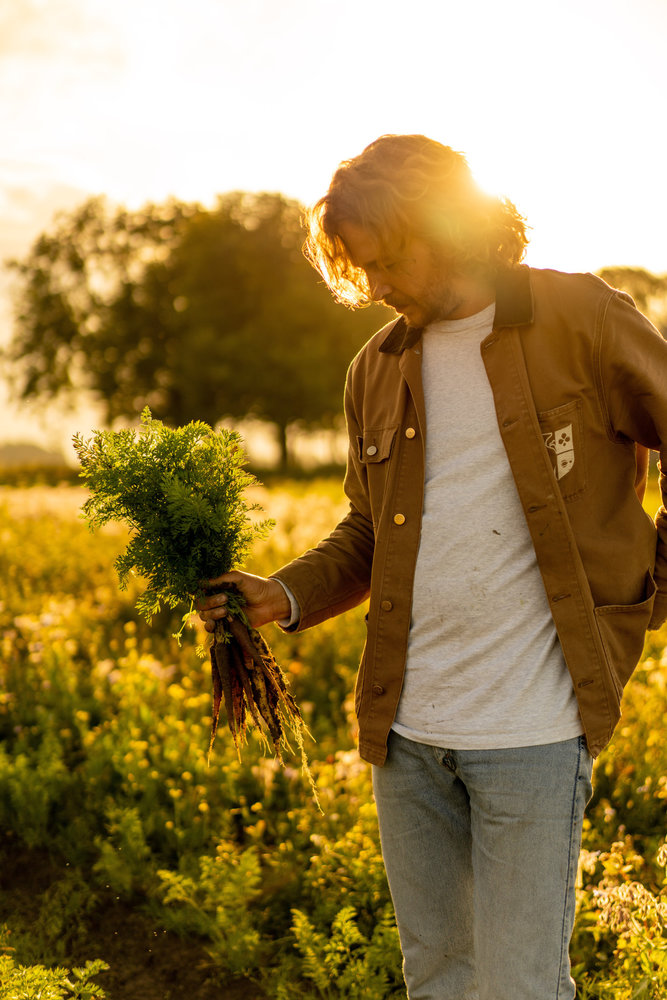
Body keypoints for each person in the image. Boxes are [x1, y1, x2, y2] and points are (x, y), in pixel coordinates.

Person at [198, 134, 667, 1000]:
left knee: (523, 987)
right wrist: (282, 595)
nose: (374, 284)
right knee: (439, 983)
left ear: (447, 224)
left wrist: (650, 587)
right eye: (360, 267)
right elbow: (367, 534)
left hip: (532, 733)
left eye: (387, 259)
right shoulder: (372, 371)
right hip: (406, 737)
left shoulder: (582, 318)